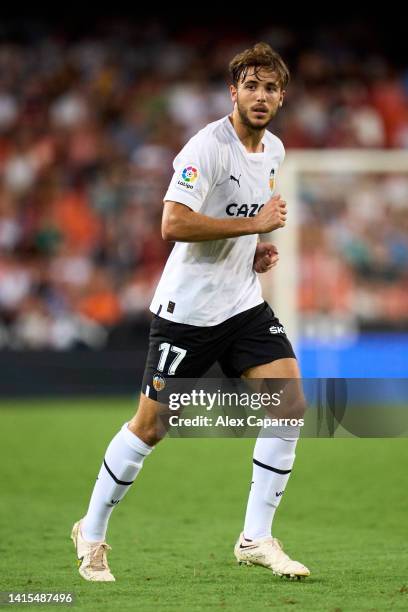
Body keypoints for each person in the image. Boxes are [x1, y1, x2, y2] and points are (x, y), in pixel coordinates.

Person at [71, 41, 310, 582]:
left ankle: (256, 537)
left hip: (243, 303)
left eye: (270, 87)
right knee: (151, 427)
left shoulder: (274, 150)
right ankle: (91, 529)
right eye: (251, 85)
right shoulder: (206, 147)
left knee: (289, 402)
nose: (261, 95)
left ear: (281, 97)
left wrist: (254, 250)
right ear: (233, 91)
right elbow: (173, 224)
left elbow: (238, 220)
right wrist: (252, 227)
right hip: (188, 312)